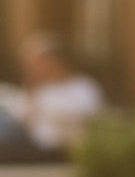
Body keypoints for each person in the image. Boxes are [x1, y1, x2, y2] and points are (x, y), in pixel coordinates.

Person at [0, 31, 105, 163]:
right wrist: (31, 93)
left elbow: (86, 117)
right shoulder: (42, 89)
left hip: (57, 148)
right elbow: (25, 123)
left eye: (38, 63)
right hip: (31, 144)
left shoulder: (83, 86)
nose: (32, 68)